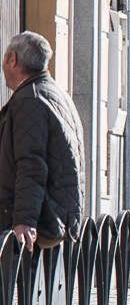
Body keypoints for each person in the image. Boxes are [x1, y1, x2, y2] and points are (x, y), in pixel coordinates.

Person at [0, 31, 85, 251]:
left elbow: (32, 164)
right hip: (57, 215)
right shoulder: (56, 94)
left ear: (13, 60)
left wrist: (24, 221)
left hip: (38, 221)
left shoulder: (31, 99)